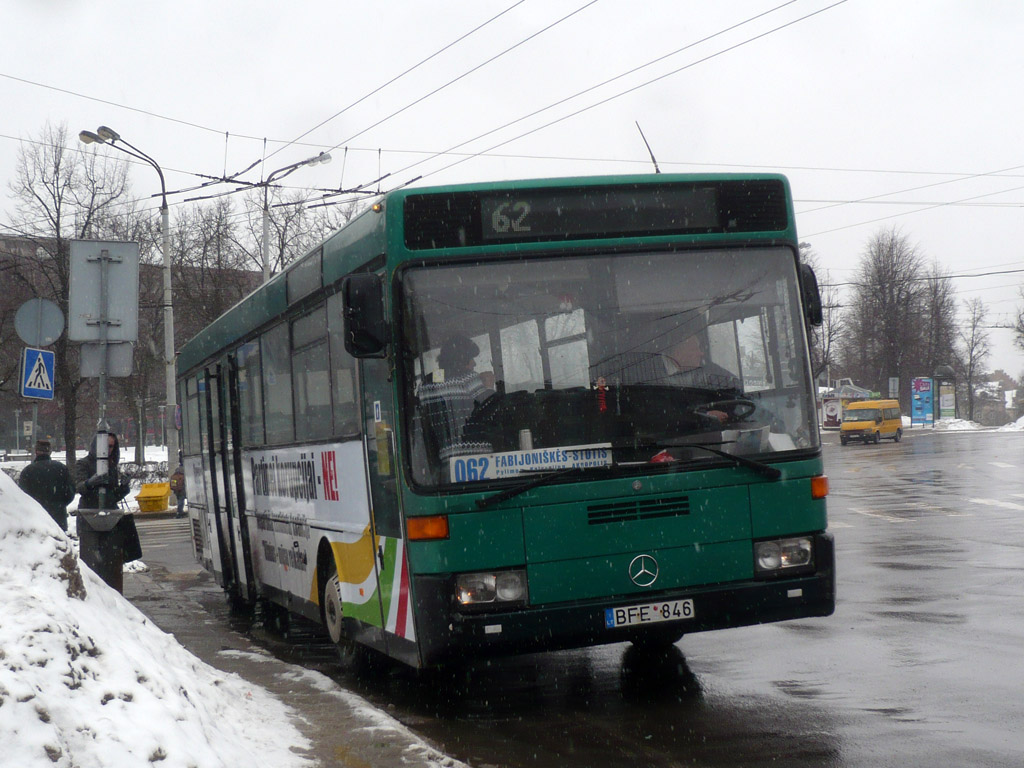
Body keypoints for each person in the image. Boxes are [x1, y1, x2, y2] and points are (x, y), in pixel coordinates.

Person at [417, 334, 495, 465]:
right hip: (478, 459)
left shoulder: (426, 383)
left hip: (445, 458)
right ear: (462, 358)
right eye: (471, 358)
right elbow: (490, 409)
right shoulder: (468, 378)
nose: (474, 363)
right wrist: (488, 387)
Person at [75, 432, 142, 564]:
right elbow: (78, 487)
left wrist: (123, 487)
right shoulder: (84, 464)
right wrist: (90, 483)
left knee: (111, 559)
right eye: (105, 446)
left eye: (111, 447)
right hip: (90, 515)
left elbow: (112, 497)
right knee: (92, 559)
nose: (108, 450)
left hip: (110, 517)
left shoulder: (111, 466)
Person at [18, 439, 76, 531]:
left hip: (35, 519)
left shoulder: (28, 471)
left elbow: (22, 497)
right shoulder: (61, 468)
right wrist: (59, 505)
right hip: (58, 518)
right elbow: (70, 493)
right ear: (50, 452)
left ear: (36, 452)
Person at [170, 454, 186, 518]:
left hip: (176, 489)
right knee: (181, 501)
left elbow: (173, 482)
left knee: (180, 500)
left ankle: (180, 511)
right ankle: (180, 513)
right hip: (182, 489)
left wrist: (174, 489)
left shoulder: (176, 471)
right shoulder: (185, 471)